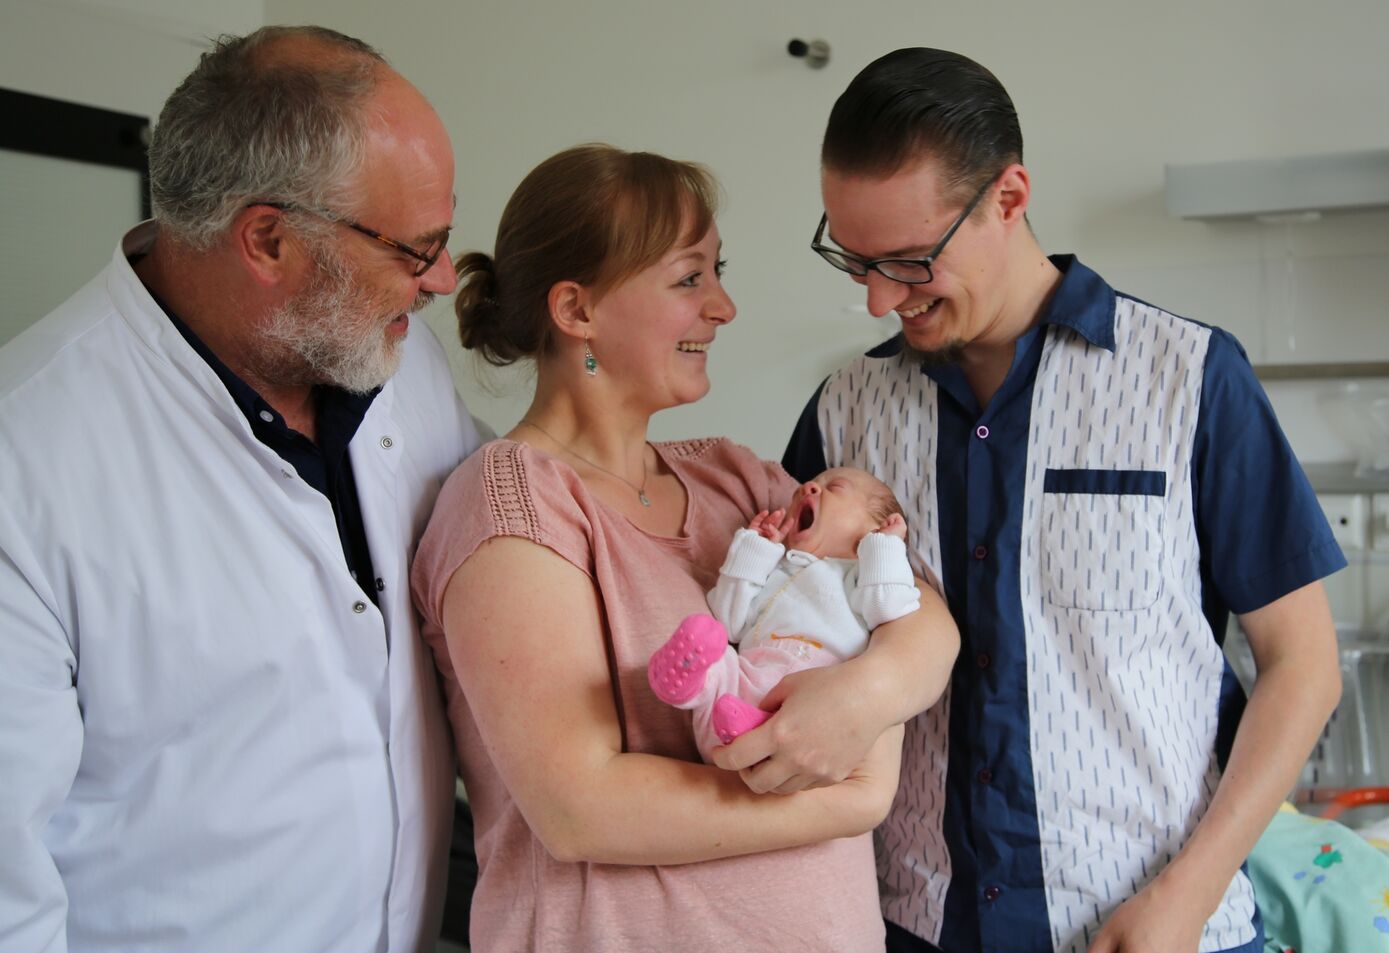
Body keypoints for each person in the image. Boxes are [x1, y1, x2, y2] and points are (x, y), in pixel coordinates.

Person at [780, 47, 1346, 953]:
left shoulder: (1189, 380)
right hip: (912, 928)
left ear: (1008, 197)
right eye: (855, 262)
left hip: (1158, 930)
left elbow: (1303, 668)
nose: (882, 297)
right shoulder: (844, 412)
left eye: (911, 260)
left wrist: (1186, 897)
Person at [0, 26, 487, 953]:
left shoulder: (392, 352)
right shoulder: (24, 466)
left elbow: (499, 521)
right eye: (417, 247)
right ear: (267, 239)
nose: (439, 281)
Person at [409, 144, 960, 952]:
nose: (724, 306)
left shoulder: (732, 476)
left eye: (715, 272)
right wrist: (855, 795)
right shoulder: (511, 504)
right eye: (688, 278)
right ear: (577, 310)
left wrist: (865, 696)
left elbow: (917, 609)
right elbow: (581, 808)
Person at [649, 466, 926, 759]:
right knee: (723, 660)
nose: (809, 487)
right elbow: (729, 623)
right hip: (747, 681)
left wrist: (885, 547)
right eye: (807, 486)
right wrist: (754, 551)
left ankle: (754, 726)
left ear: (876, 527)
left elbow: (889, 608)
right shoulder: (775, 570)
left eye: (835, 488)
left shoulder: (863, 578)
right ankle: (684, 686)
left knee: (767, 702)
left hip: (812, 693)